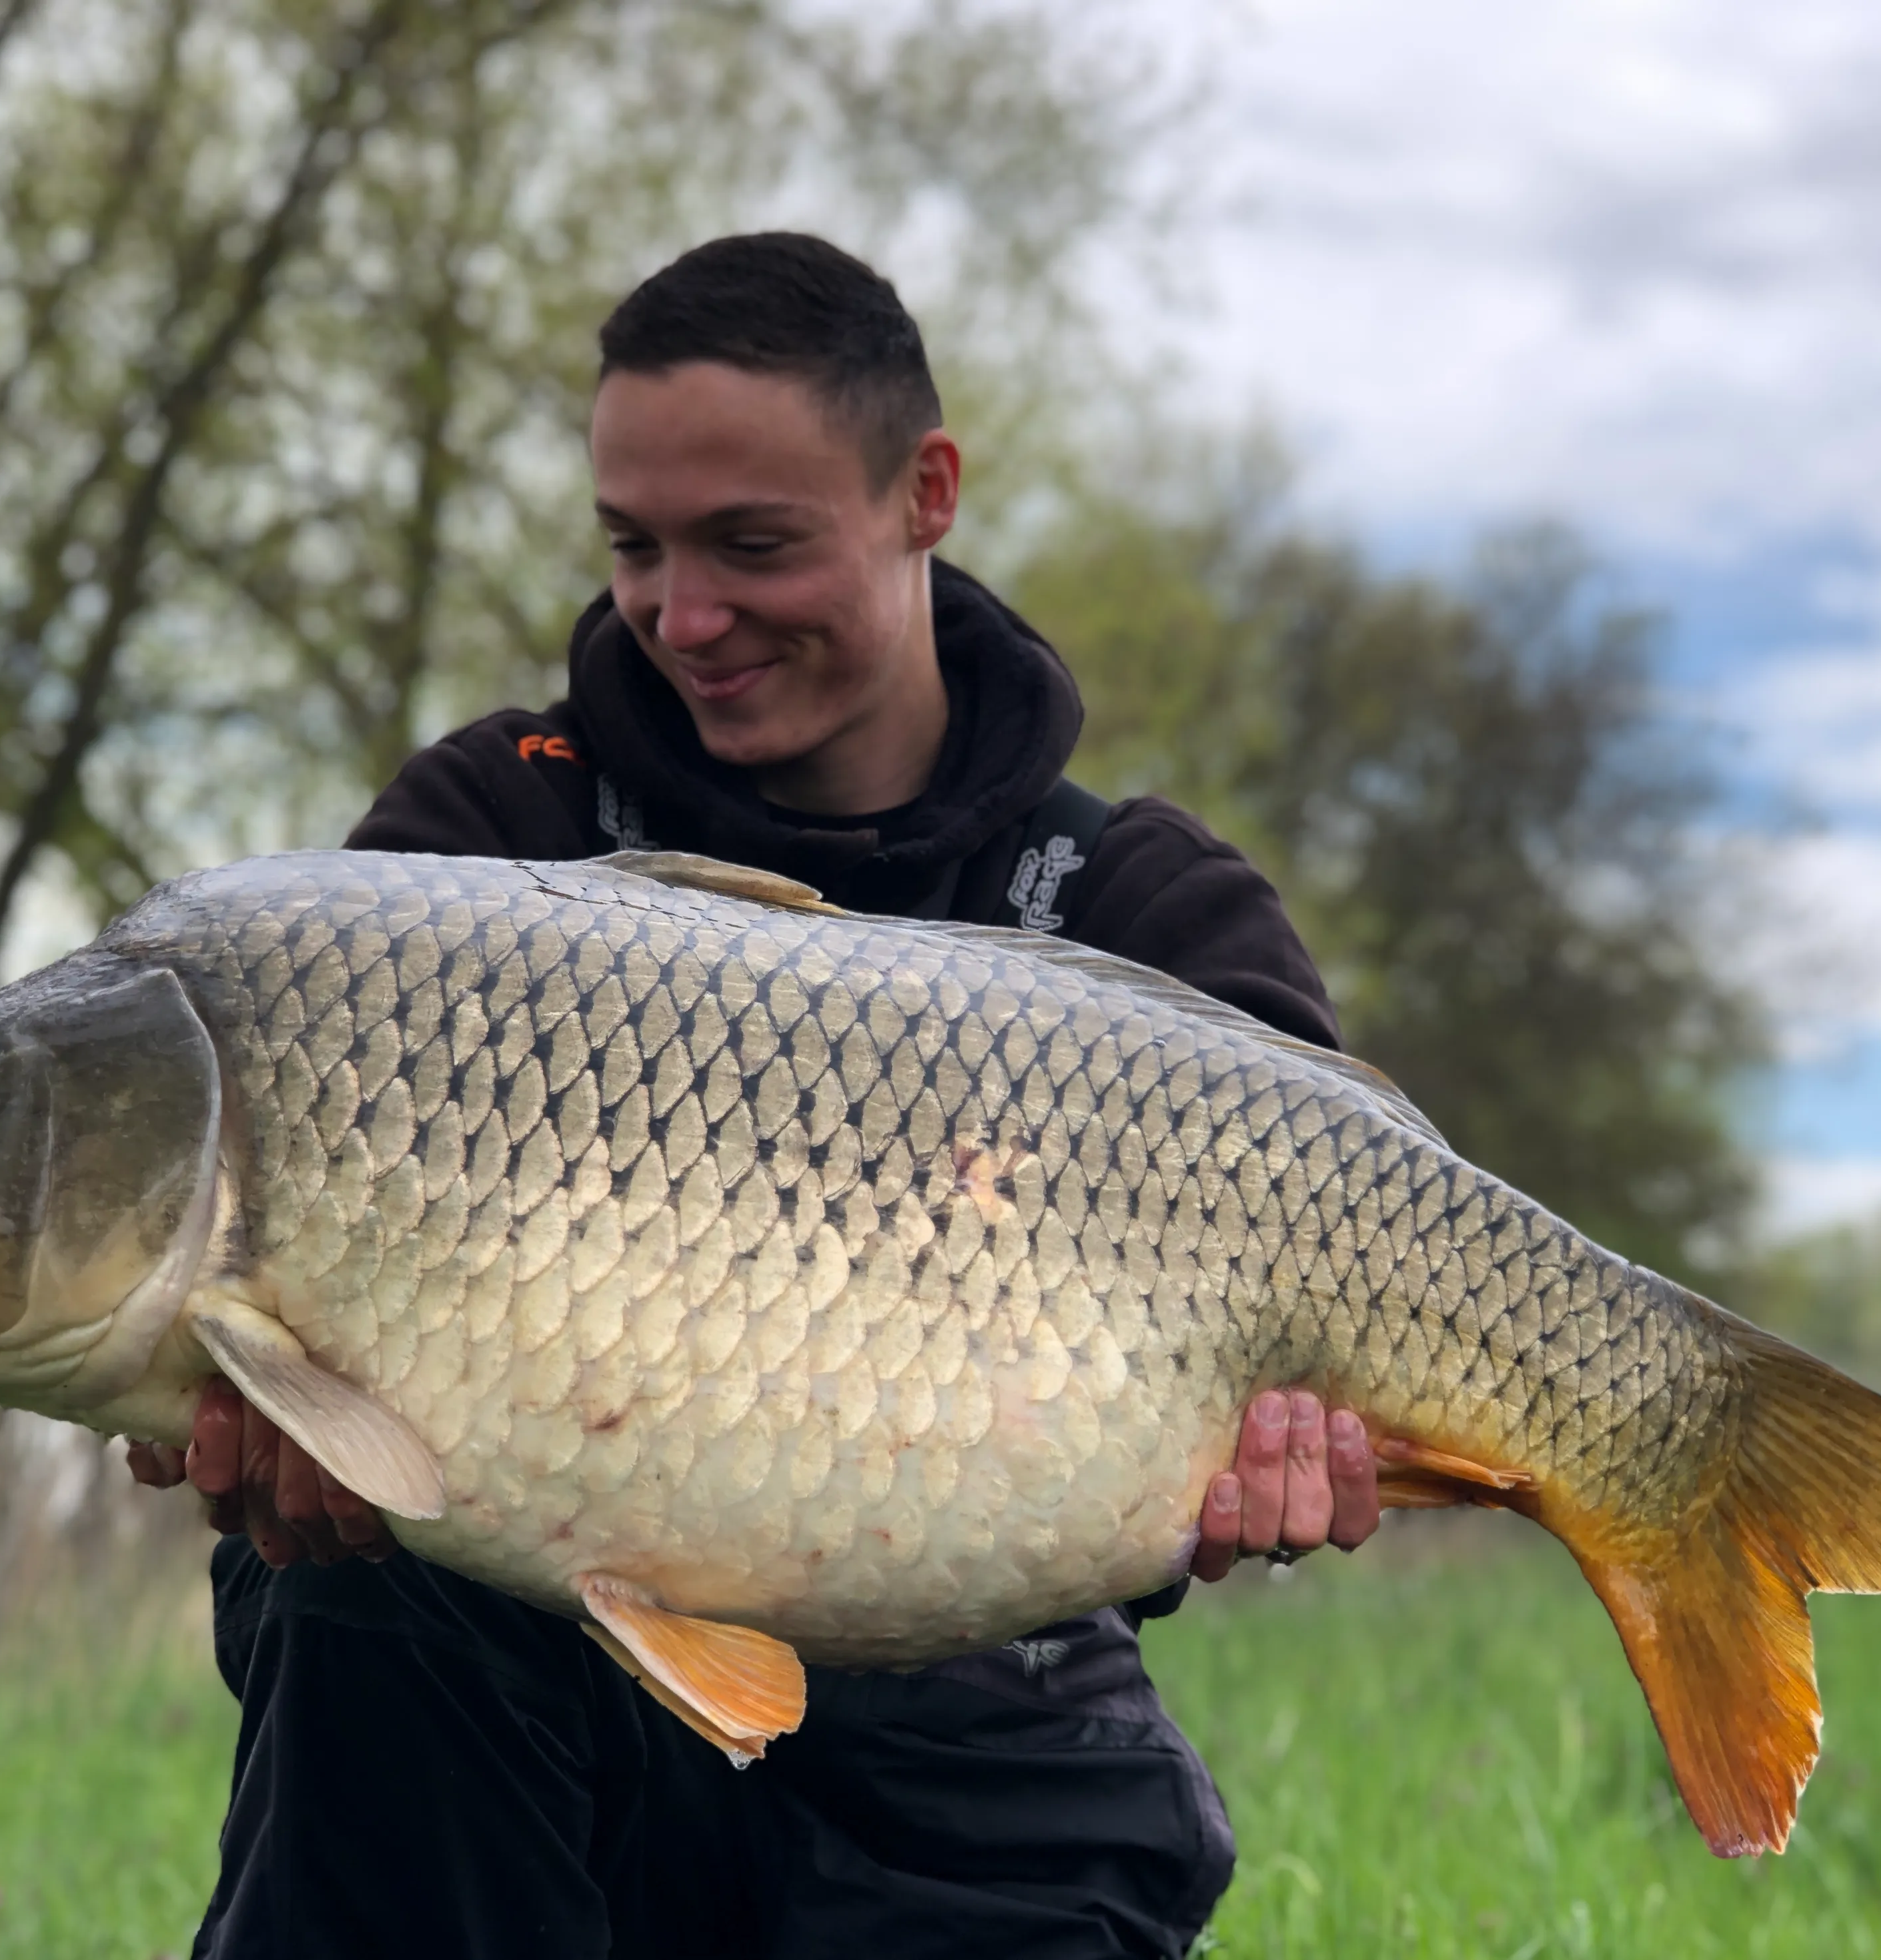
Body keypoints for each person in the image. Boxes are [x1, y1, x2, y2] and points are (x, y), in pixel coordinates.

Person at [129, 231, 1382, 1959]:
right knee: (351, 1583)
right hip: (526, 1709)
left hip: (979, 1729)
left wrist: (1294, 1462)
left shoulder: (1139, 910)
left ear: (924, 491)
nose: (683, 616)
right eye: (634, 548)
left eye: (753, 545)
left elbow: (1311, 1371)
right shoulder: (486, 844)